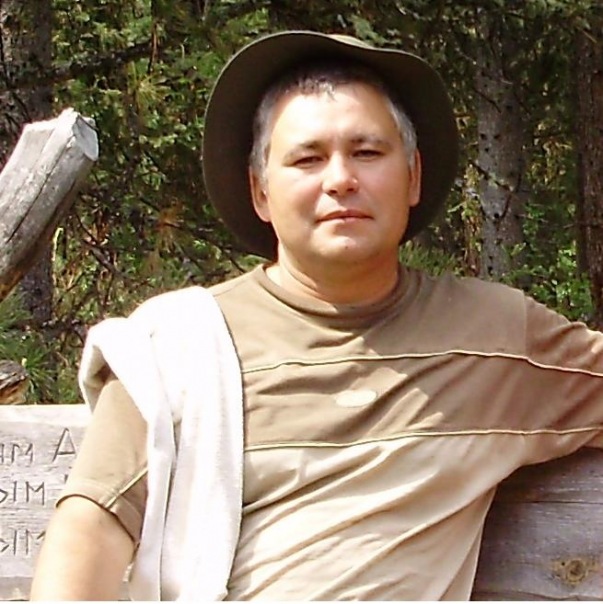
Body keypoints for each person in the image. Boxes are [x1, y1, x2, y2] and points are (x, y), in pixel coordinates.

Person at [30, 30, 603, 601]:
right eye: (307, 158)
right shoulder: (179, 349)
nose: (340, 180)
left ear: (413, 176)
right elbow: (92, 527)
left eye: (367, 153)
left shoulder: (495, 337)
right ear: (260, 191)